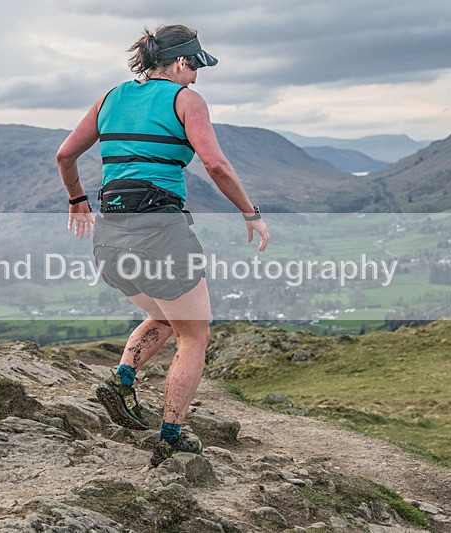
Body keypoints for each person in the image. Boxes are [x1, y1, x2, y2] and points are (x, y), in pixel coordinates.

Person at [56, 24, 269, 467]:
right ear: (179, 62)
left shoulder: (111, 97)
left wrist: (77, 199)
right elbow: (214, 163)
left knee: (165, 315)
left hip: (110, 236)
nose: (197, 76)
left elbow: (65, 155)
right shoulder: (186, 100)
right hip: (160, 232)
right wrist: (251, 212)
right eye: (195, 66)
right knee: (194, 335)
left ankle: (121, 382)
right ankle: (170, 437)